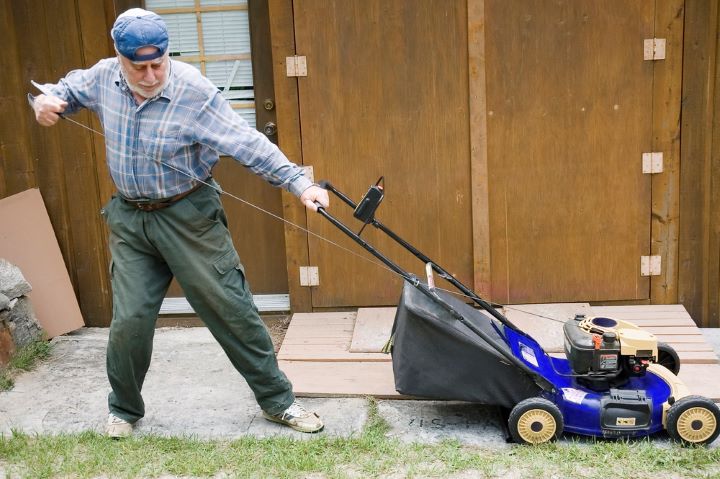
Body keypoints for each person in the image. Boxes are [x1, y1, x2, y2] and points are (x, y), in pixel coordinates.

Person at [31, 8, 329, 438]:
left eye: (159, 63)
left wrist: (299, 183)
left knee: (233, 309)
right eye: (140, 66)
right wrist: (45, 103)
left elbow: (247, 143)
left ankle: (278, 402)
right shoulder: (102, 77)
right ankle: (124, 410)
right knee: (130, 321)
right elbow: (59, 93)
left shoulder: (194, 92)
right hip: (132, 220)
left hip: (190, 218)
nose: (151, 75)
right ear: (119, 57)